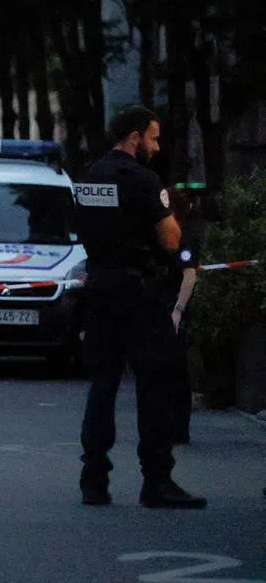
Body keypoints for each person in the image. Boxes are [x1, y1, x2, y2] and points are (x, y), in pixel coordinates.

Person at [74, 106, 206, 509]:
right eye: (152, 137)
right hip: (139, 292)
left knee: (103, 386)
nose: (156, 145)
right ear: (134, 136)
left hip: (99, 288)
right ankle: (157, 480)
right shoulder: (144, 181)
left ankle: (93, 480)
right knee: (155, 383)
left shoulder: (89, 175)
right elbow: (169, 240)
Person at [165, 187, 202, 445]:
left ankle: (179, 429)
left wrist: (178, 310)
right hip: (162, 308)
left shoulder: (183, 236)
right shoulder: (165, 233)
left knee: (177, 373)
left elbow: (189, 275)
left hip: (174, 311)